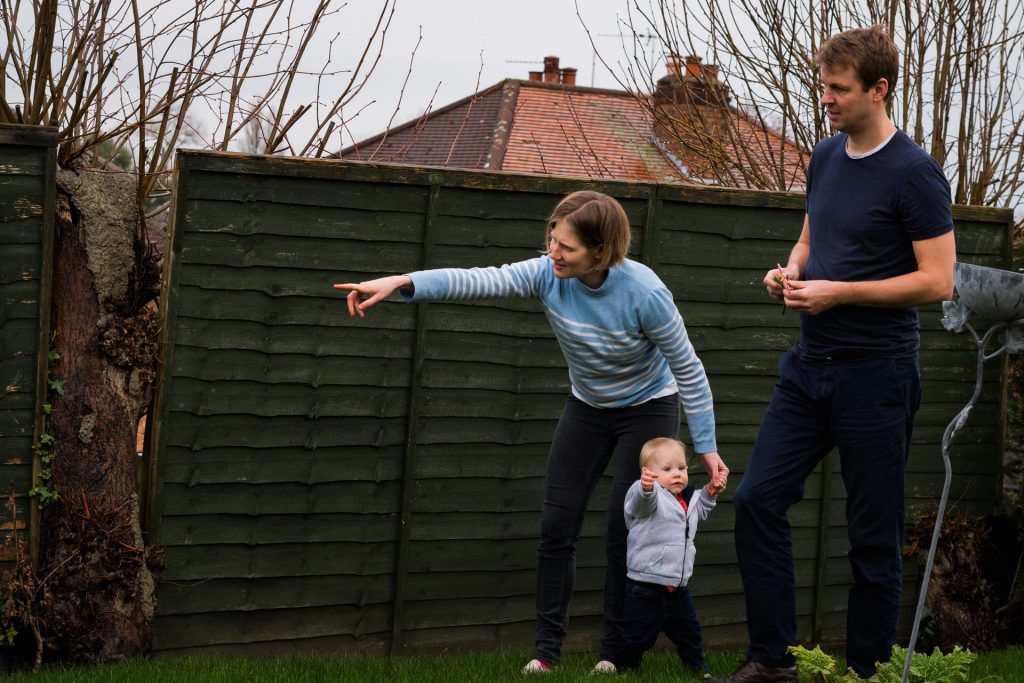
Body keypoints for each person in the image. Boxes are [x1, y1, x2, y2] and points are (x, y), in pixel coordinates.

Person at [334, 190, 729, 674]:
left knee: (622, 529)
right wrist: (402, 282)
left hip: (647, 408)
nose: (553, 253)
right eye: (551, 240)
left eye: (567, 247)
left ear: (600, 252)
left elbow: (688, 369)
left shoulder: (644, 292)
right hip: (586, 406)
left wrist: (705, 447)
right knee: (556, 527)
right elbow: (479, 281)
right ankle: (547, 652)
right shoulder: (547, 274)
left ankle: (614, 653)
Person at [710, 26, 956, 683]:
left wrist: (840, 291)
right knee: (758, 500)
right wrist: (788, 272)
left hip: (878, 375)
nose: (825, 98)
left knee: (871, 536)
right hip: (808, 368)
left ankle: (867, 672)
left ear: (879, 89)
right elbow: (809, 236)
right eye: (822, 86)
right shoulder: (824, 156)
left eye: (838, 88)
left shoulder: (915, 173)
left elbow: (938, 280)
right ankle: (772, 660)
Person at [619, 437, 717, 678]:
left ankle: (697, 669)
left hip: (678, 586)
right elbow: (639, 508)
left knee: (690, 633)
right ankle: (627, 669)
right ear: (648, 473)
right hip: (645, 587)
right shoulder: (645, 494)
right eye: (667, 469)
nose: (677, 474)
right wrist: (646, 489)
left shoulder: (687, 498)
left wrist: (709, 493)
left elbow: (701, 509)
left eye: (681, 468)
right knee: (636, 635)